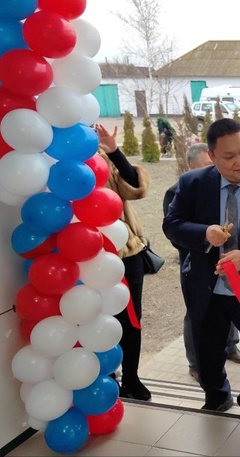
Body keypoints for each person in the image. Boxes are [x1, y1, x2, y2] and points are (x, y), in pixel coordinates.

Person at [163, 118, 240, 414]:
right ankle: (218, 397)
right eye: (229, 157)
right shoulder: (192, 184)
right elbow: (172, 225)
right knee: (207, 354)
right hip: (208, 287)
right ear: (212, 157)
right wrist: (204, 234)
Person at [162, 143, 240, 383]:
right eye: (210, 164)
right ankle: (195, 362)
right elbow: (175, 231)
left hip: (230, 262)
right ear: (192, 167)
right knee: (197, 314)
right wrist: (205, 239)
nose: (218, 169)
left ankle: (230, 346)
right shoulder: (180, 189)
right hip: (198, 263)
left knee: (231, 302)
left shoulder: (231, 186)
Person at [94, 124, 153, 401]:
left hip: (126, 254)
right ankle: (105, 377)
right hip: (82, 256)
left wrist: (115, 152)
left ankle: (131, 376)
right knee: (92, 319)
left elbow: (136, 189)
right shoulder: (54, 162)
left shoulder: (100, 156)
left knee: (131, 319)